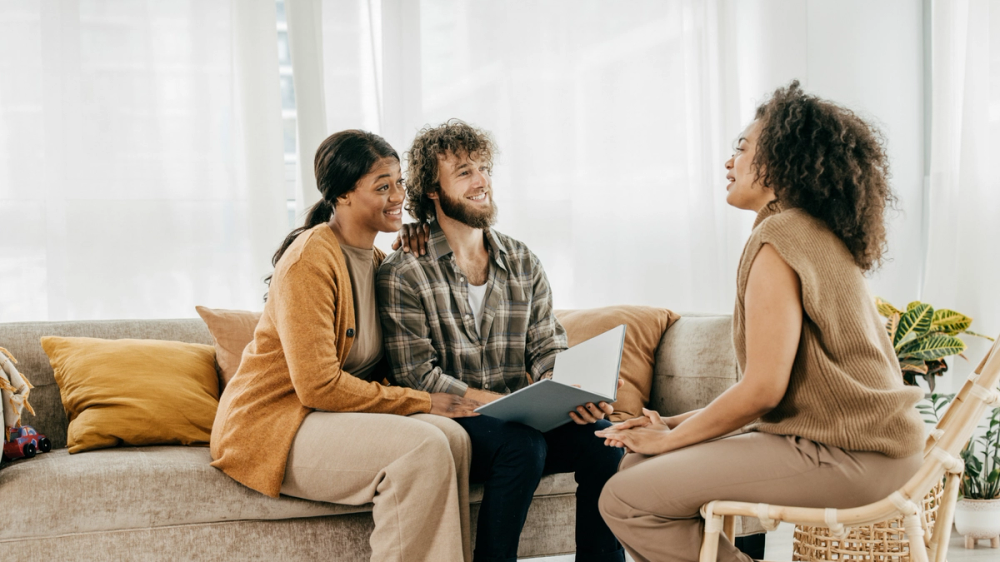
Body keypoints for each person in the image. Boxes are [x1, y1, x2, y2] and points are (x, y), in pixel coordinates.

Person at [594, 81, 926, 562]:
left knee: (624, 500)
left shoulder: (779, 238)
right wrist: (668, 425)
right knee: (634, 470)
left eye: (742, 148)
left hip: (852, 457)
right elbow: (785, 392)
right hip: (873, 450)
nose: (729, 162)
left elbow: (763, 391)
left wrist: (670, 440)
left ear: (780, 160)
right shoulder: (809, 230)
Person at [210, 129, 481, 562]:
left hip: (327, 416)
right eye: (382, 186)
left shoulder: (378, 261)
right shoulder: (311, 260)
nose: (398, 196)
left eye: (399, 182)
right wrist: (423, 401)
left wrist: (421, 237)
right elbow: (318, 387)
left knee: (454, 438)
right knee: (423, 448)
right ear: (342, 195)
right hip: (275, 424)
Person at [377, 120, 626, 562]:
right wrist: (501, 405)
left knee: (605, 438)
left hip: (519, 419)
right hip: (451, 425)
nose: (482, 181)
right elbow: (417, 377)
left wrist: (568, 390)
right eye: (465, 172)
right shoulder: (405, 272)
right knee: (522, 445)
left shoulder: (523, 261)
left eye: (485, 169)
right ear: (432, 189)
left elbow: (547, 347)